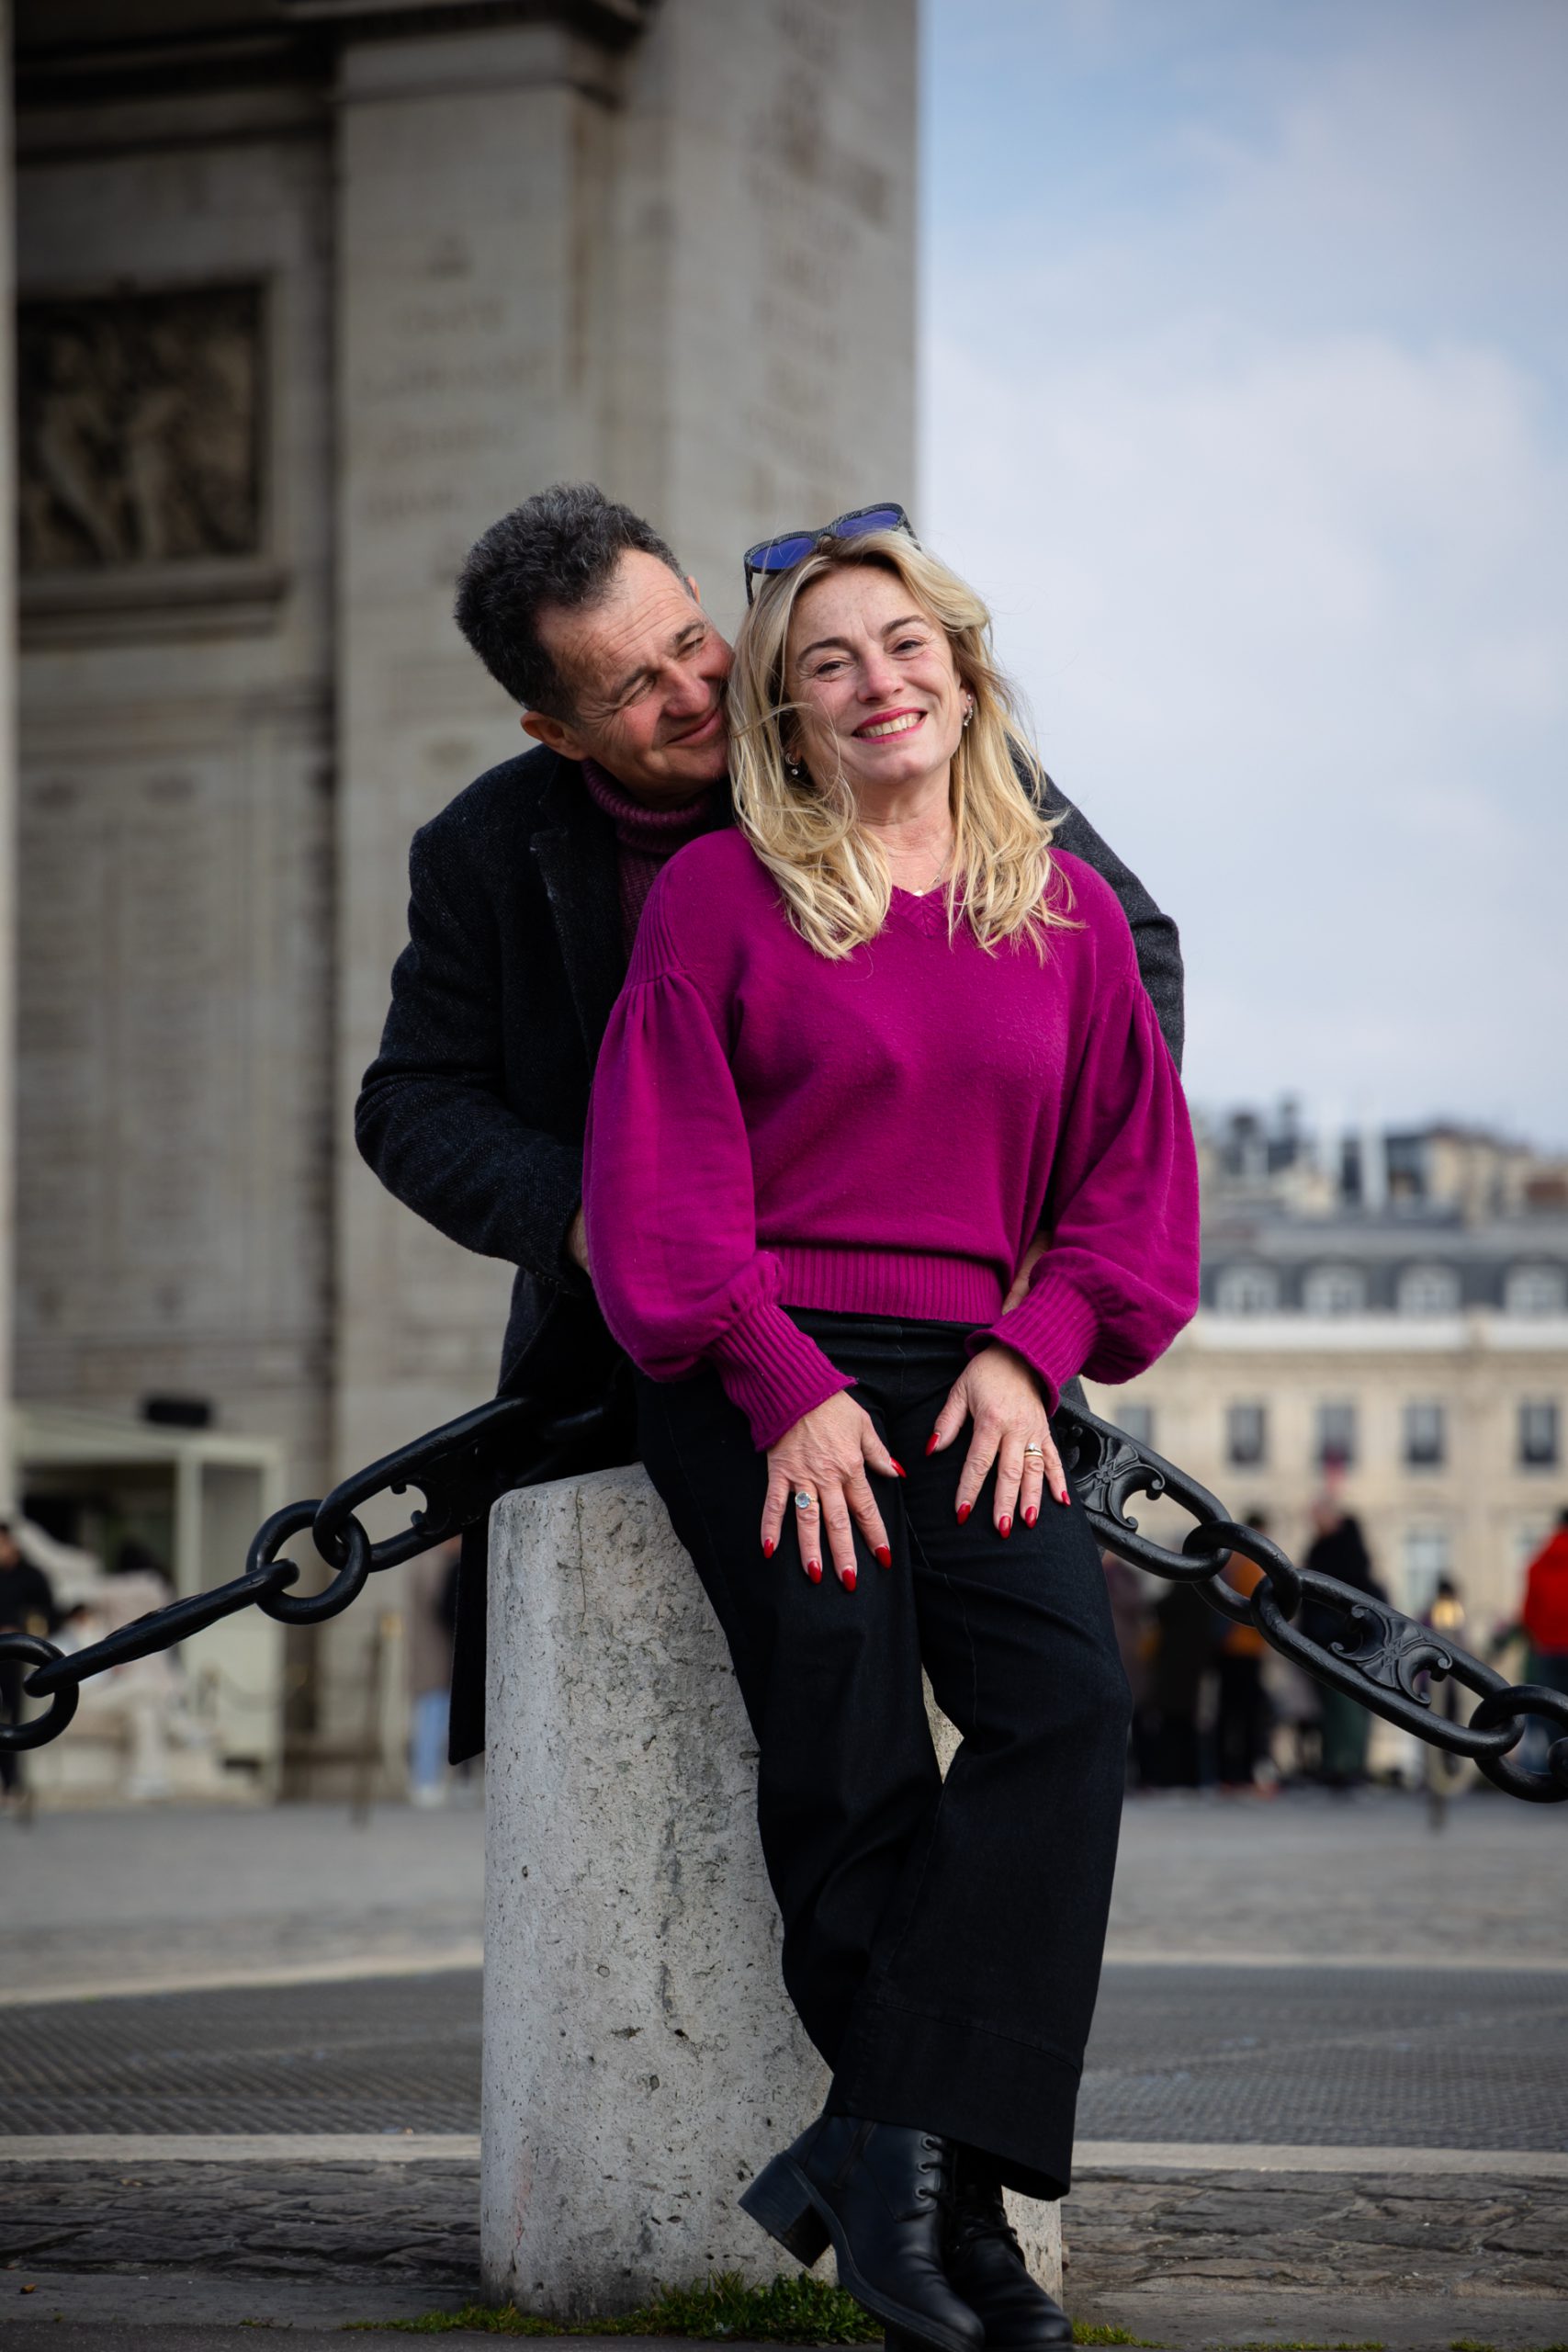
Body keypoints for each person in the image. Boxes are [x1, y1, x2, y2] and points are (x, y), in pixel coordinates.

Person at [581, 516, 1201, 2352]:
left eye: (905, 642)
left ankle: (879, 2162)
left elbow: (1128, 1188)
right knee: (848, 1745)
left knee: (1064, 1706)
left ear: (963, 668)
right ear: (788, 710)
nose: (878, 680)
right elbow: (658, 1189)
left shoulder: (1061, 912)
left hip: (982, 1366)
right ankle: (950, 2214)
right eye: (829, 659)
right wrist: (782, 1384)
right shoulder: (722, 897)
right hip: (763, 1364)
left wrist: (1032, 1353)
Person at [355, 484, 1187, 1763]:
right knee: (841, 1756)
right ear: (556, 731)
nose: (696, 691)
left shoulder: (897, 731)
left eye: (691, 641)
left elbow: (1126, 960)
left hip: (963, 1323)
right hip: (656, 1343)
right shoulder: (482, 846)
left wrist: (1047, 1242)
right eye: (634, 688)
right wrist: (602, 1222)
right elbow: (410, 1101)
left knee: (1059, 1714)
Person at [1302, 1502, 1384, 1792]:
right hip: (1337, 1642)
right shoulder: (1339, 1553)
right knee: (1341, 1707)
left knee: (1343, 1706)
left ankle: (1343, 1764)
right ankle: (1344, 1763)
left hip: (1339, 1642)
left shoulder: (1335, 1554)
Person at [1213, 1510, 1274, 1793]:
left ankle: (1227, 1771)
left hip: (1228, 1649)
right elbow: (1260, 1605)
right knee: (1247, 1715)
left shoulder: (1232, 1560)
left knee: (1229, 1712)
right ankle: (1242, 1772)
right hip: (1245, 1650)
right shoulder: (1250, 1565)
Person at [0, 1525, 59, 1813]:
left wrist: (20, 1628)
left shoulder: (31, 1577)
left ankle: (12, 1785)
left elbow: (48, 1615)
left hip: (18, 1659)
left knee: (14, 1721)